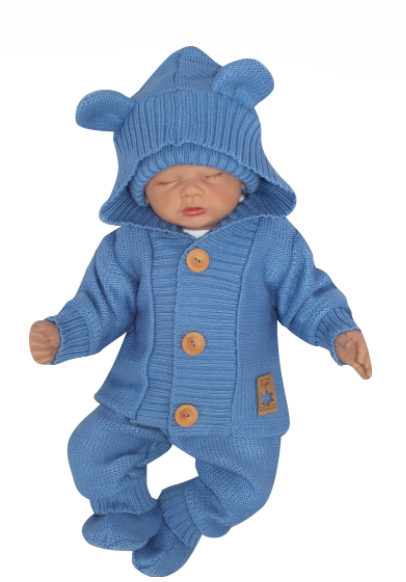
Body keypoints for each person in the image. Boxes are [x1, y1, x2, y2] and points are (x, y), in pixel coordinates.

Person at [29, 46, 372, 577]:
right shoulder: (130, 245)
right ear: (140, 192)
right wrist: (63, 333)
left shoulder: (271, 240)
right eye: (165, 181)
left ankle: (181, 519)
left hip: (238, 401)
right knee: (90, 449)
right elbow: (101, 303)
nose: (189, 190)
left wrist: (337, 331)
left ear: (246, 178)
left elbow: (307, 293)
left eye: (211, 173)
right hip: (141, 396)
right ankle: (127, 512)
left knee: (249, 484)